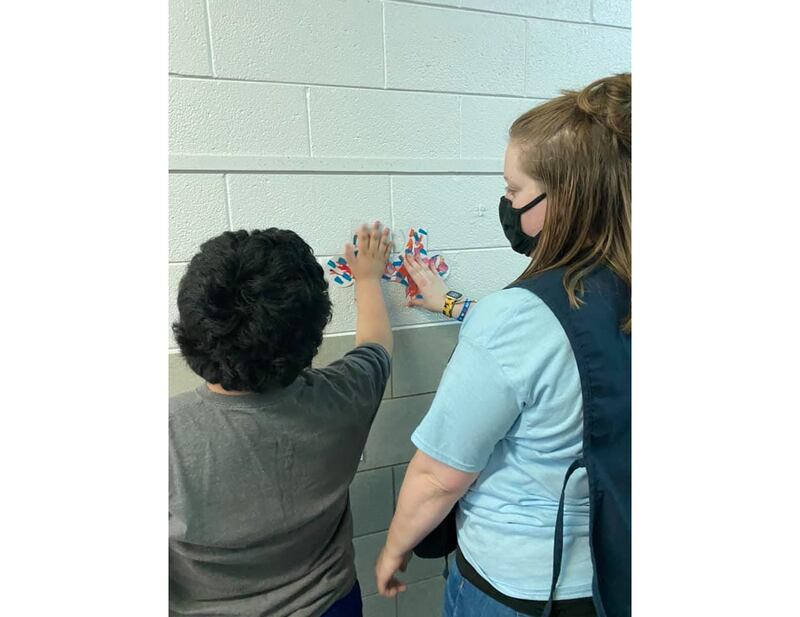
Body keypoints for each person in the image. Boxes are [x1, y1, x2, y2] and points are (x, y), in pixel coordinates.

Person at [375, 73, 632, 617]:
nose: (507, 203)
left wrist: (394, 547)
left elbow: (438, 476)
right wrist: (451, 305)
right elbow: (573, 353)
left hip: (521, 587)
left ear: (565, 200)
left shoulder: (516, 319)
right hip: (618, 576)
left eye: (515, 191)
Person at [169, 223, 394, 617]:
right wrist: (369, 279)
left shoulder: (166, 435)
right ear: (312, 334)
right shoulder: (343, 396)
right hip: (330, 605)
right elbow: (376, 347)